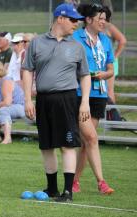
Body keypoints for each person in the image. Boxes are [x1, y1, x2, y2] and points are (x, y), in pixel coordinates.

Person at [22, 3, 91, 202]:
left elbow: (85, 75)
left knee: (68, 145)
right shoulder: (36, 43)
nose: (76, 24)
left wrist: (84, 102)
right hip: (43, 99)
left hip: (67, 99)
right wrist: (28, 99)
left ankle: (67, 191)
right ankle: (52, 188)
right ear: (60, 18)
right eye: (73, 20)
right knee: (46, 145)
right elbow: (27, 70)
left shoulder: (77, 46)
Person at [72, 3, 115, 195]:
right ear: (88, 19)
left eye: (105, 19)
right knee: (91, 137)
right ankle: (102, 182)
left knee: (85, 143)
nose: (104, 23)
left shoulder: (105, 41)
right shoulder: (75, 38)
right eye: (100, 19)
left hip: (99, 95)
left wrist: (103, 75)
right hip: (80, 94)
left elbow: (111, 70)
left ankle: (74, 181)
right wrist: (86, 75)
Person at [102, 6, 126, 104]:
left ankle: (112, 116)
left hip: (109, 63)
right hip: (100, 62)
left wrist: (115, 56)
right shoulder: (95, 26)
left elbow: (123, 40)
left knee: (109, 90)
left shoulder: (109, 26)